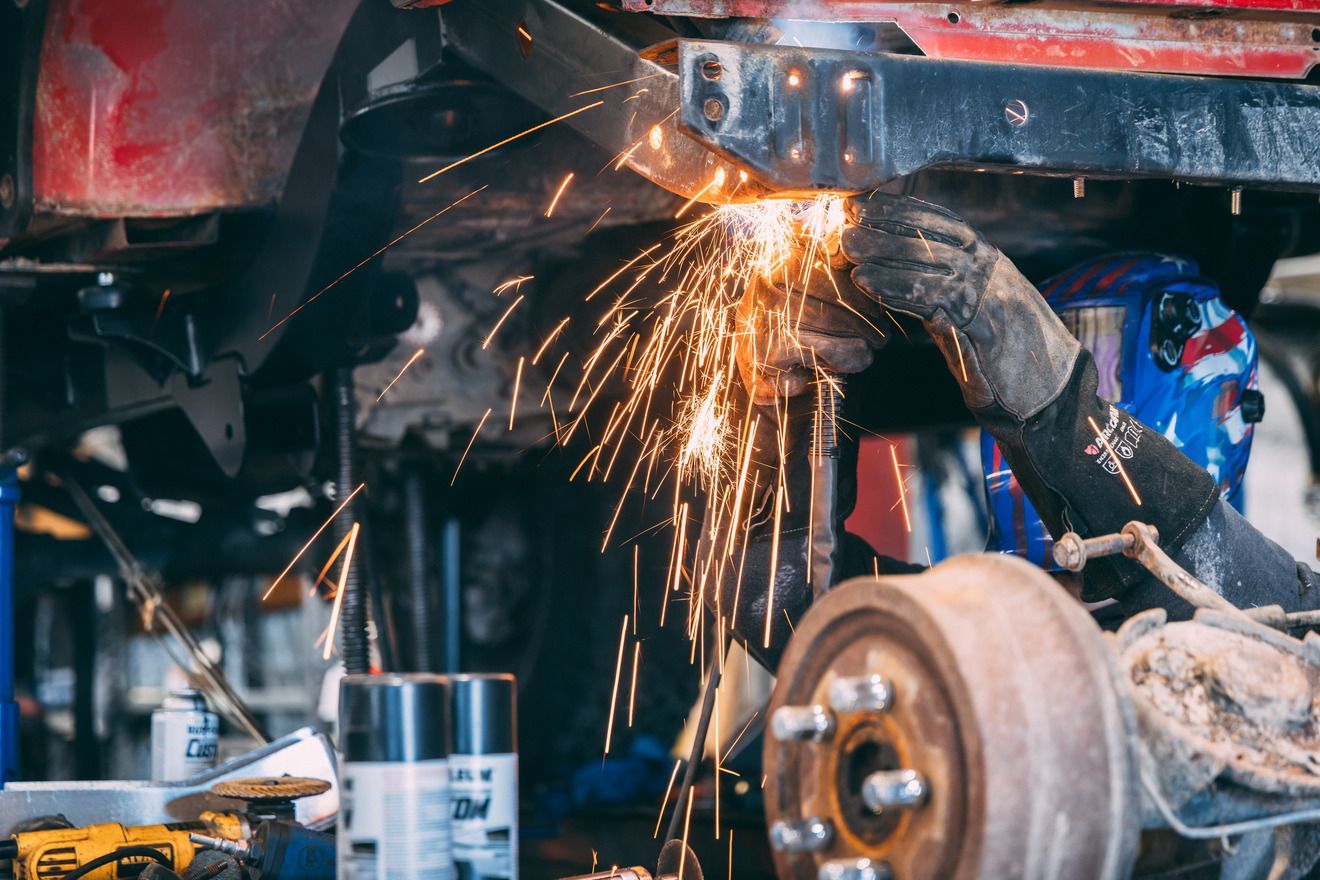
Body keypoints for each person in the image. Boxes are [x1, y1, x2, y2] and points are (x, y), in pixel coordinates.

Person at [728, 191, 1317, 666]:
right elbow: (787, 607)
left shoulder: (1287, 634)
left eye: (1090, 363)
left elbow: (1212, 570)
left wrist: (1054, 405)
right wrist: (794, 412)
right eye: (1050, 356)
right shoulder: (988, 624)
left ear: (1210, 403)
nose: (1019, 395)